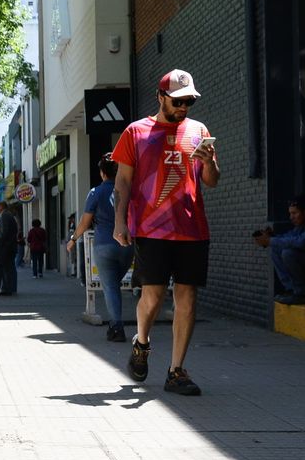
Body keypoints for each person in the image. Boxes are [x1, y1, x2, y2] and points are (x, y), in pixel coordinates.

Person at [112, 68, 219, 397]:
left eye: (189, 101)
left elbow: (211, 180)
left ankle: (176, 371)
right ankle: (141, 342)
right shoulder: (136, 132)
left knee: (187, 297)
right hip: (150, 227)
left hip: (191, 228)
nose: (184, 107)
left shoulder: (198, 130)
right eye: (178, 101)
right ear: (161, 98)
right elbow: (124, 181)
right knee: (153, 296)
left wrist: (211, 161)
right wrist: (119, 221)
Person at [67, 154, 132, 342]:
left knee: (110, 286)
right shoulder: (129, 189)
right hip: (128, 244)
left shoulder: (96, 192)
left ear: (103, 173)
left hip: (104, 244)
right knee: (114, 285)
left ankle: (117, 326)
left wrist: (73, 239)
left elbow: (85, 221)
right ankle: (116, 323)